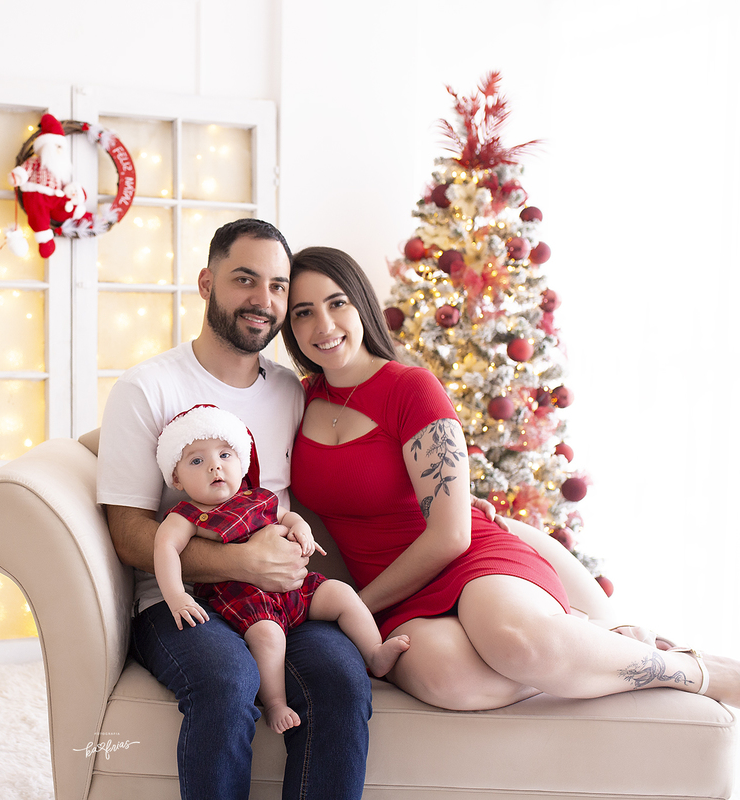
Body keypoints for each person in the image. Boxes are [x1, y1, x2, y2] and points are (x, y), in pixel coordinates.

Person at [282, 245, 740, 711]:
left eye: (337, 302)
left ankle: (693, 669)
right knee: (453, 681)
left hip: (464, 559)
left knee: (515, 643)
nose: (323, 325)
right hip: (395, 594)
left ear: (361, 303)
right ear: (290, 327)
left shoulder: (410, 388)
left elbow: (451, 534)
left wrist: (358, 607)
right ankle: (582, 645)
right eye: (303, 312)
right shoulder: (296, 402)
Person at [97, 219, 372, 800]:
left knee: (342, 683)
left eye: (277, 286)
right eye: (245, 280)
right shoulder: (147, 388)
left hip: (284, 599)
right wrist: (243, 562)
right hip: (183, 605)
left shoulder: (292, 390)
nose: (263, 300)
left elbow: (352, 458)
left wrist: (442, 492)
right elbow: (126, 533)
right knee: (229, 681)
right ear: (206, 282)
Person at [153, 403, 411, 733]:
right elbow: (165, 548)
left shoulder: (257, 497)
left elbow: (286, 517)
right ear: (176, 477)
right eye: (197, 461)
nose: (214, 468)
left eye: (225, 456)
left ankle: (374, 653)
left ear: (242, 462)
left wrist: (301, 529)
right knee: (268, 636)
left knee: (342, 594)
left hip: (296, 588)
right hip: (245, 599)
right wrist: (177, 597)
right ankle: (275, 702)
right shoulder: (187, 515)